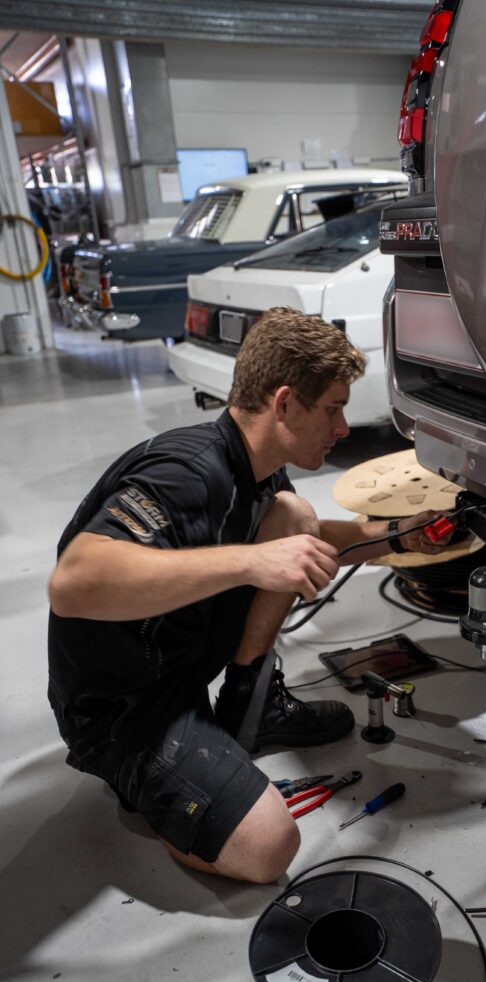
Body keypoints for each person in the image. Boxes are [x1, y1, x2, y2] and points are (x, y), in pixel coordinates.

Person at [48, 307, 448, 884]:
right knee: (268, 846)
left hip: (179, 669)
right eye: (333, 408)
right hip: (121, 708)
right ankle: (143, 781)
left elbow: (306, 538)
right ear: (284, 404)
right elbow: (73, 583)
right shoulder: (188, 473)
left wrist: (400, 536)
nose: (342, 429)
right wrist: (255, 561)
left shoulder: (255, 467)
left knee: (294, 515)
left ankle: (247, 707)